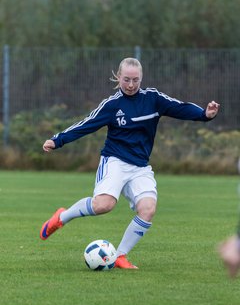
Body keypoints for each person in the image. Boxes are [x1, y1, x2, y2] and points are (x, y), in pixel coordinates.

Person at [40, 57, 220, 269]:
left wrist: (204, 114)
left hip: (140, 167)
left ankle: (120, 256)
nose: (131, 85)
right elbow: (86, 124)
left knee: (148, 209)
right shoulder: (112, 105)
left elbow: (179, 108)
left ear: (141, 78)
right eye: (127, 79)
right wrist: (57, 140)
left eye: (136, 80)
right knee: (103, 205)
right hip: (114, 161)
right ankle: (62, 216)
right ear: (119, 77)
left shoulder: (152, 98)